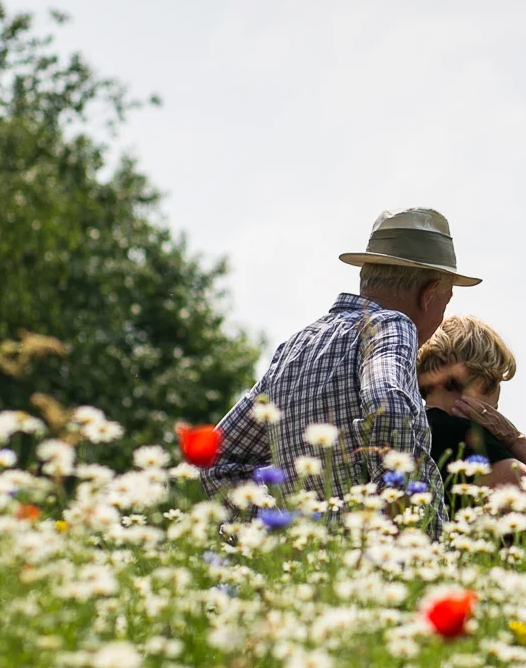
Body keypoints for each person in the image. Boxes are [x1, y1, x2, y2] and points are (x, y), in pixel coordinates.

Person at [202, 208, 480, 522]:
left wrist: (278, 532)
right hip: (388, 560)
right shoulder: (393, 325)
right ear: (429, 295)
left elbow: (216, 458)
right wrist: (394, 509)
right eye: (447, 299)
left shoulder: (294, 347)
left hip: (314, 564)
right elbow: (386, 401)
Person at [417, 314, 526, 491]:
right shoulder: (471, 439)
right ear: (482, 377)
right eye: (497, 381)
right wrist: (515, 439)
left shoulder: (407, 429)